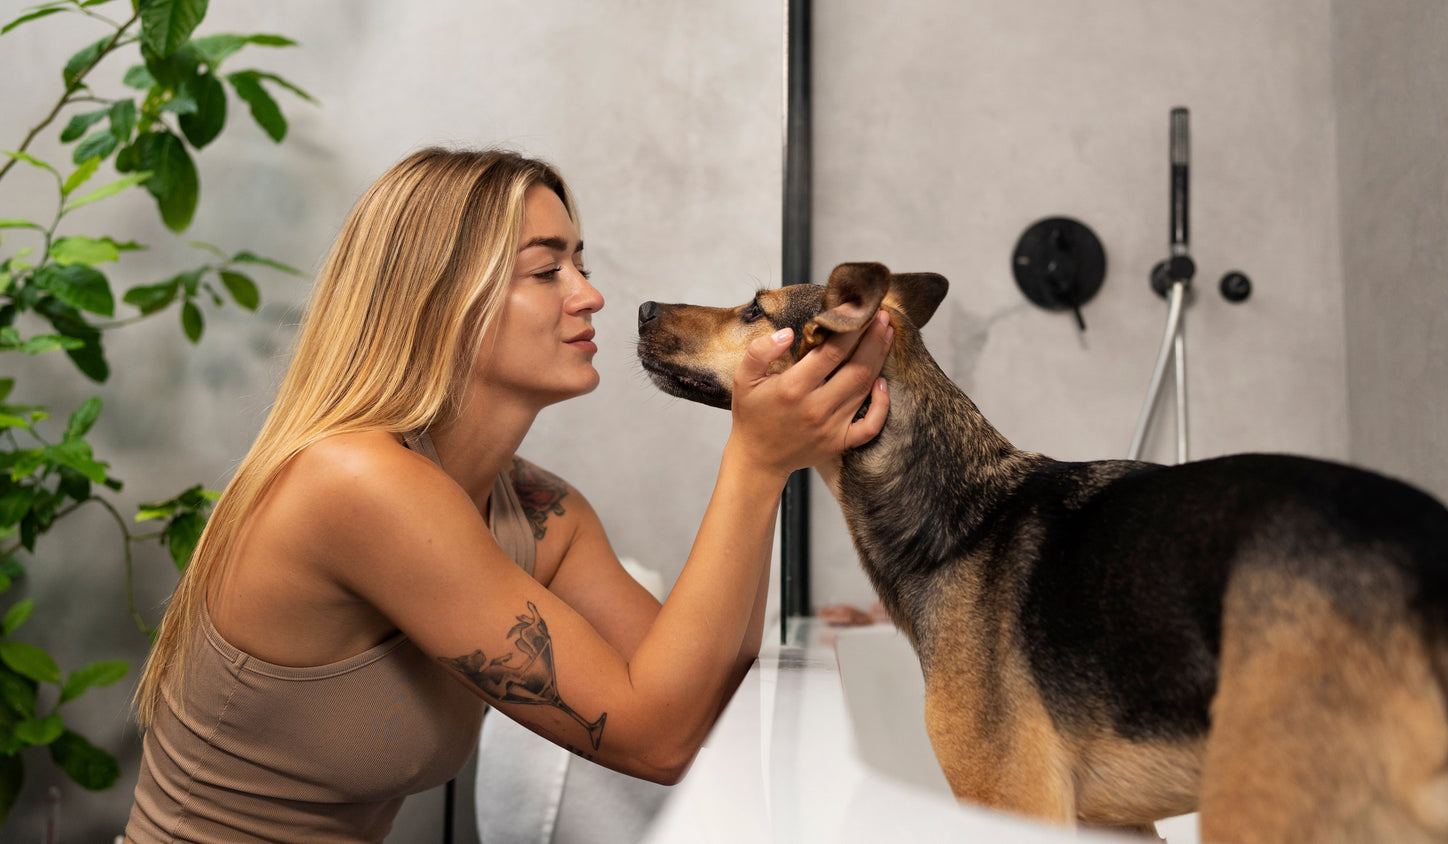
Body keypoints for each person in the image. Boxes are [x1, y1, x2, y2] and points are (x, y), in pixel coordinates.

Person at [123, 147, 892, 843]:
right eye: (546, 270)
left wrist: (784, 479)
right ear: (439, 299)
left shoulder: (540, 513)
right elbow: (657, 742)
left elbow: (703, 705)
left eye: (580, 264)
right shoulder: (355, 481)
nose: (590, 295)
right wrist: (756, 462)